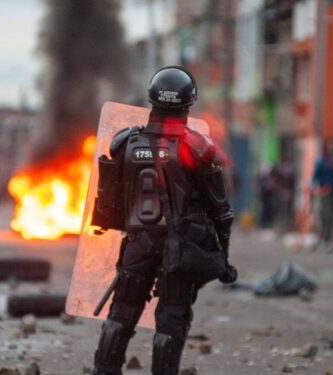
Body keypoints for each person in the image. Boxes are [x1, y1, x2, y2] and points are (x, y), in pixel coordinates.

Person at [90, 67, 237, 375]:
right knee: (172, 317)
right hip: (180, 249)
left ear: (151, 99)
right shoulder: (198, 148)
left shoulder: (123, 143)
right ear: (189, 101)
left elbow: (109, 204)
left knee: (122, 313)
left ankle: (105, 370)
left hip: (137, 244)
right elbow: (221, 210)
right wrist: (223, 256)